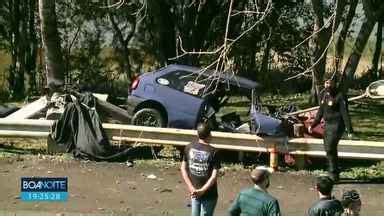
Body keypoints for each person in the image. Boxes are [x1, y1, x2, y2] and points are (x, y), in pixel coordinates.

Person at [308, 79, 353, 181]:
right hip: (328, 126)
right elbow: (320, 111)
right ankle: (334, 173)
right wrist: (313, 125)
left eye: (330, 83)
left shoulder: (340, 96)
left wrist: (349, 130)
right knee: (329, 150)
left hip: (337, 125)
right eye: (326, 83)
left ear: (334, 83)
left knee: (330, 148)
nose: (328, 85)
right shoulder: (324, 94)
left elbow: (345, 113)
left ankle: (332, 173)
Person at [181, 122, 221, 216]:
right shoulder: (214, 152)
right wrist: (202, 191)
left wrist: (191, 187)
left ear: (198, 134)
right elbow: (214, 176)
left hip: (194, 191)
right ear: (209, 134)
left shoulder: (189, 147)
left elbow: (183, 169)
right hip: (209, 194)